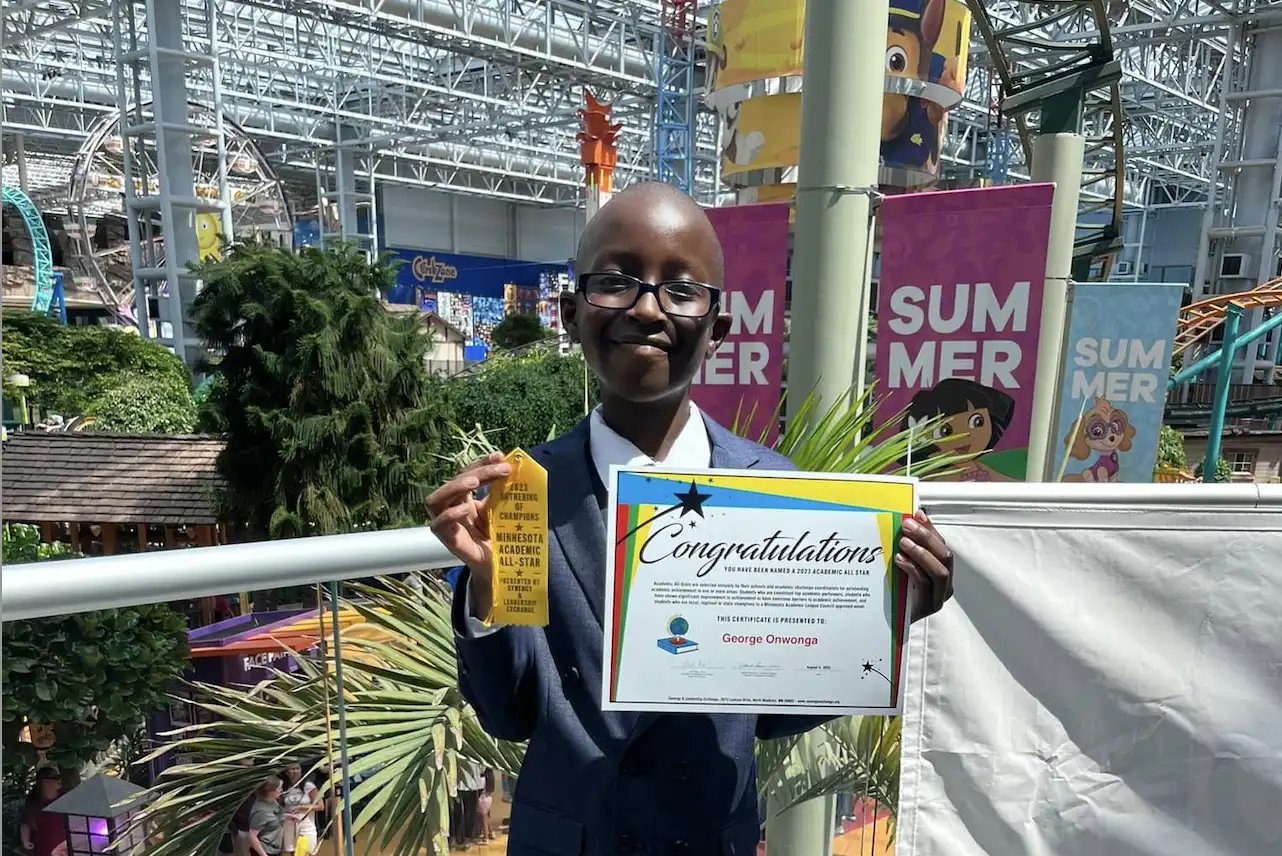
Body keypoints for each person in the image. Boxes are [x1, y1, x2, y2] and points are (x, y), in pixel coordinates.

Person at [427, 182, 956, 856]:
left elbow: (769, 714)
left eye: (681, 290)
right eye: (616, 280)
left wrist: (882, 618)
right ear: (569, 312)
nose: (648, 309)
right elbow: (509, 713)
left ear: (718, 328)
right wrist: (485, 592)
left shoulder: (776, 496)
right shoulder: (525, 494)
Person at [19, 768, 65, 856]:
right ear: (44, 783)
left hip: (62, 846)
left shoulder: (64, 798)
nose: (59, 782)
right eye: (54, 780)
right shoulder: (33, 802)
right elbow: (26, 822)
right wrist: (25, 840)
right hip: (42, 847)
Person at [280, 763, 321, 856]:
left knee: (306, 851)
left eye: (297, 768)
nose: (295, 771)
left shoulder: (309, 786)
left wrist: (301, 807)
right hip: (289, 823)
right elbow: (280, 805)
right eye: (292, 769)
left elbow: (320, 806)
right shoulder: (284, 787)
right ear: (286, 772)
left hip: (306, 823)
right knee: (293, 853)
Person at [247, 777, 285, 856]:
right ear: (271, 791)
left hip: (275, 849)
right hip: (265, 850)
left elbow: (275, 817)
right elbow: (253, 836)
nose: (281, 790)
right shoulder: (261, 812)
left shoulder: (273, 802)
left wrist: (289, 816)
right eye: (279, 788)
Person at [477, 769, 496, 842]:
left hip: (483, 799)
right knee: (487, 817)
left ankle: (485, 838)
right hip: (489, 798)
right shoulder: (490, 778)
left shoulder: (482, 779)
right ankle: (491, 833)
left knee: (484, 819)